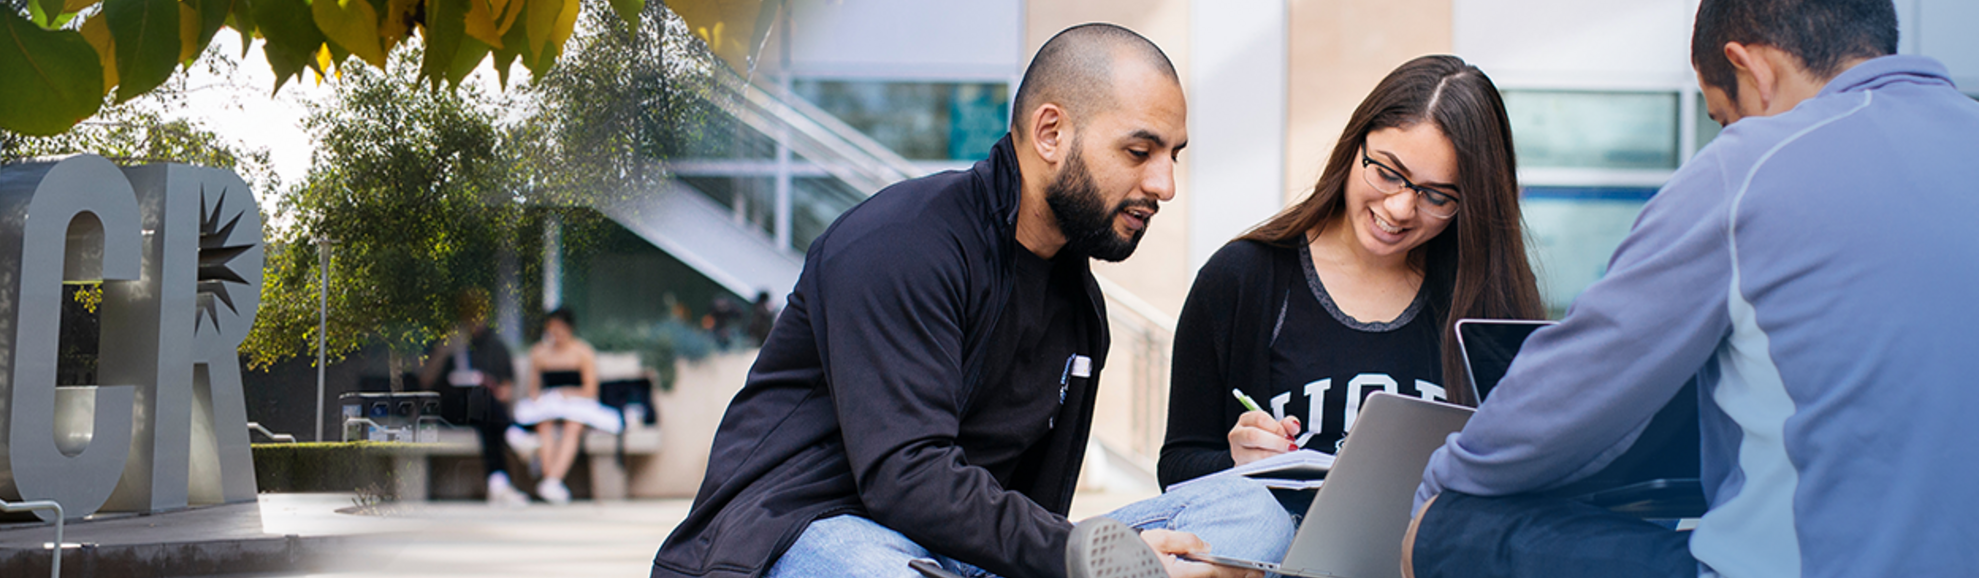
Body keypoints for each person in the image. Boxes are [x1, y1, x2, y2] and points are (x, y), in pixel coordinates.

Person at [1406, 1, 1979, 576]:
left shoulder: (1753, 165)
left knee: (1448, 528)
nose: (1728, 133)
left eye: (1723, 117)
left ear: (1751, 68)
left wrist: (1434, 494)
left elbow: (1580, 384)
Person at [658, 24, 1237, 578]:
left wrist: (1090, 556)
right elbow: (906, 477)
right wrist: (1080, 558)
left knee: (1241, 515)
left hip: (963, 551)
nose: (1165, 185)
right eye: (1139, 152)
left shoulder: (1080, 304)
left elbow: (1038, 507)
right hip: (803, 532)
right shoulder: (901, 243)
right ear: (1051, 133)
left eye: (1173, 156)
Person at [1151, 54, 1543, 530]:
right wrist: (1238, 465)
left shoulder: (1485, 305)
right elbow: (1176, 468)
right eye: (1386, 172)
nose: (1400, 208)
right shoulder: (1242, 279)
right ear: (1355, 147)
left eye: (1437, 196)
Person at [420, 290, 526, 508]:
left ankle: (498, 485)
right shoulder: (448, 342)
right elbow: (425, 381)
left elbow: (506, 391)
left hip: (484, 411)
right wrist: (443, 351)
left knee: (485, 412)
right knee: (486, 412)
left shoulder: (496, 347)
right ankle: (514, 434)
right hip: (451, 410)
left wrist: (490, 388)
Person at [510, 308, 617, 505]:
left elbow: (590, 389)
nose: (556, 335)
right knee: (544, 425)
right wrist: (548, 398)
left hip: (576, 406)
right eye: (552, 330)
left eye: (560, 330)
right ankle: (551, 482)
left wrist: (568, 393)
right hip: (550, 408)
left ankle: (552, 480)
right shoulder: (539, 353)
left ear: (569, 329)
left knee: (573, 426)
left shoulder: (583, 352)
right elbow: (533, 390)